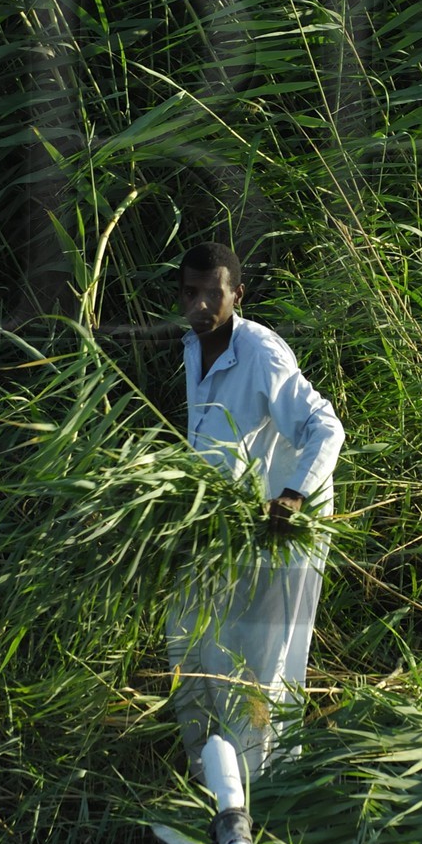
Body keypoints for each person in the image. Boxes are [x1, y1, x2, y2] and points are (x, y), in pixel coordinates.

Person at [165, 240, 345, 781]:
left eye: (211, 294)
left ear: (237, 295)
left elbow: (325, 427)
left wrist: (292, 493)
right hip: (222, 525)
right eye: (189, 294)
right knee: (192, 644)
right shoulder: (193, 348)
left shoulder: (263, 353)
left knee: (256, 666)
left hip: (279, 532)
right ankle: (209, 783)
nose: (199, 306)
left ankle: (262, 791)